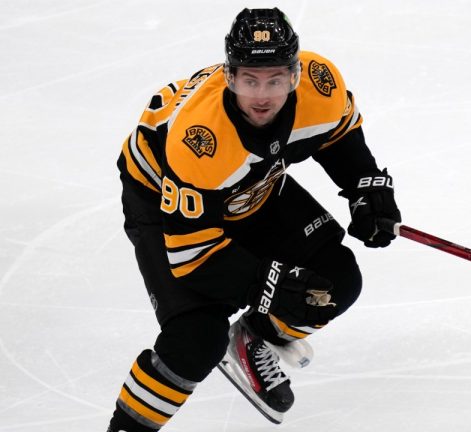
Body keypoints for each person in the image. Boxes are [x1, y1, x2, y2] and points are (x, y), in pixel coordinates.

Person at [107, 7, 401, 431]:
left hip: (248, 185)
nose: (262, 95)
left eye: (276, 79)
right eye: (250, 80)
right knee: (195, 340)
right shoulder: (199, 142)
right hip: (164, 201)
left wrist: (367, 188)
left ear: (296, 75)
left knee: (336, 280)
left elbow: (340, 133)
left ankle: (252, 339)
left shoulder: (322, 85)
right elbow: (194, 257)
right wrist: (269, 284)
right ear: (229, 77)